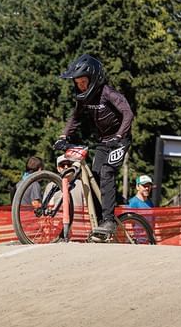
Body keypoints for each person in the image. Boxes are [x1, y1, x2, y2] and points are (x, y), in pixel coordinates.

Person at [55, 54, 133, 239]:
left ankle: (109, 221)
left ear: (93, 78)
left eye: (83, 81)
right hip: (103, 142)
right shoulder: (84, 100)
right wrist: (63, 136)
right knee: (95, 178)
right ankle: (100, 223)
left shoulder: (108, 93)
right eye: (77, 82)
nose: (80, 86)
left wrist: (120, 135)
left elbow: (128, 113)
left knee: (106, 172)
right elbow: (75, 118)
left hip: (119, 141)